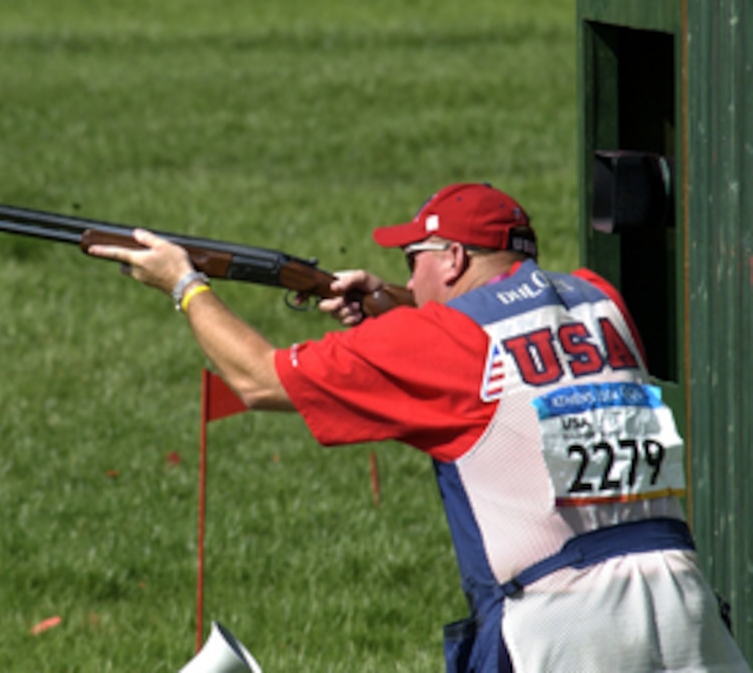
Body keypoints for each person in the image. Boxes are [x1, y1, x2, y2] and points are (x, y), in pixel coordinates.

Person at [88, 183, 750, 672]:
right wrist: (393, 302)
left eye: (414, 258)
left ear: (453, 259)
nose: (408, 270)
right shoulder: (597, 299)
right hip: (685, 605)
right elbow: (510, 336)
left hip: (561, 630)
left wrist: (185, 285)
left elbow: (258, 378)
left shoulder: (442, 341)